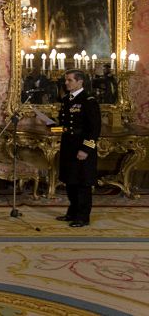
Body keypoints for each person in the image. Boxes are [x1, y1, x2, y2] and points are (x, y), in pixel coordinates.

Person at [56, 69, 101, 228]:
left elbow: (94, 129)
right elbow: (65, 128)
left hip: (82, 148)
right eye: (66, 80)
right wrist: (50, 126)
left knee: (82, 183)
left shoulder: (88, 100)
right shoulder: (67, 99)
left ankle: (83, 217)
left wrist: (86, 150)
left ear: (80, 81)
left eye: (70, 80)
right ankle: (72, 212)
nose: (66, 83)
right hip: (68, 146)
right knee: (70, 181)